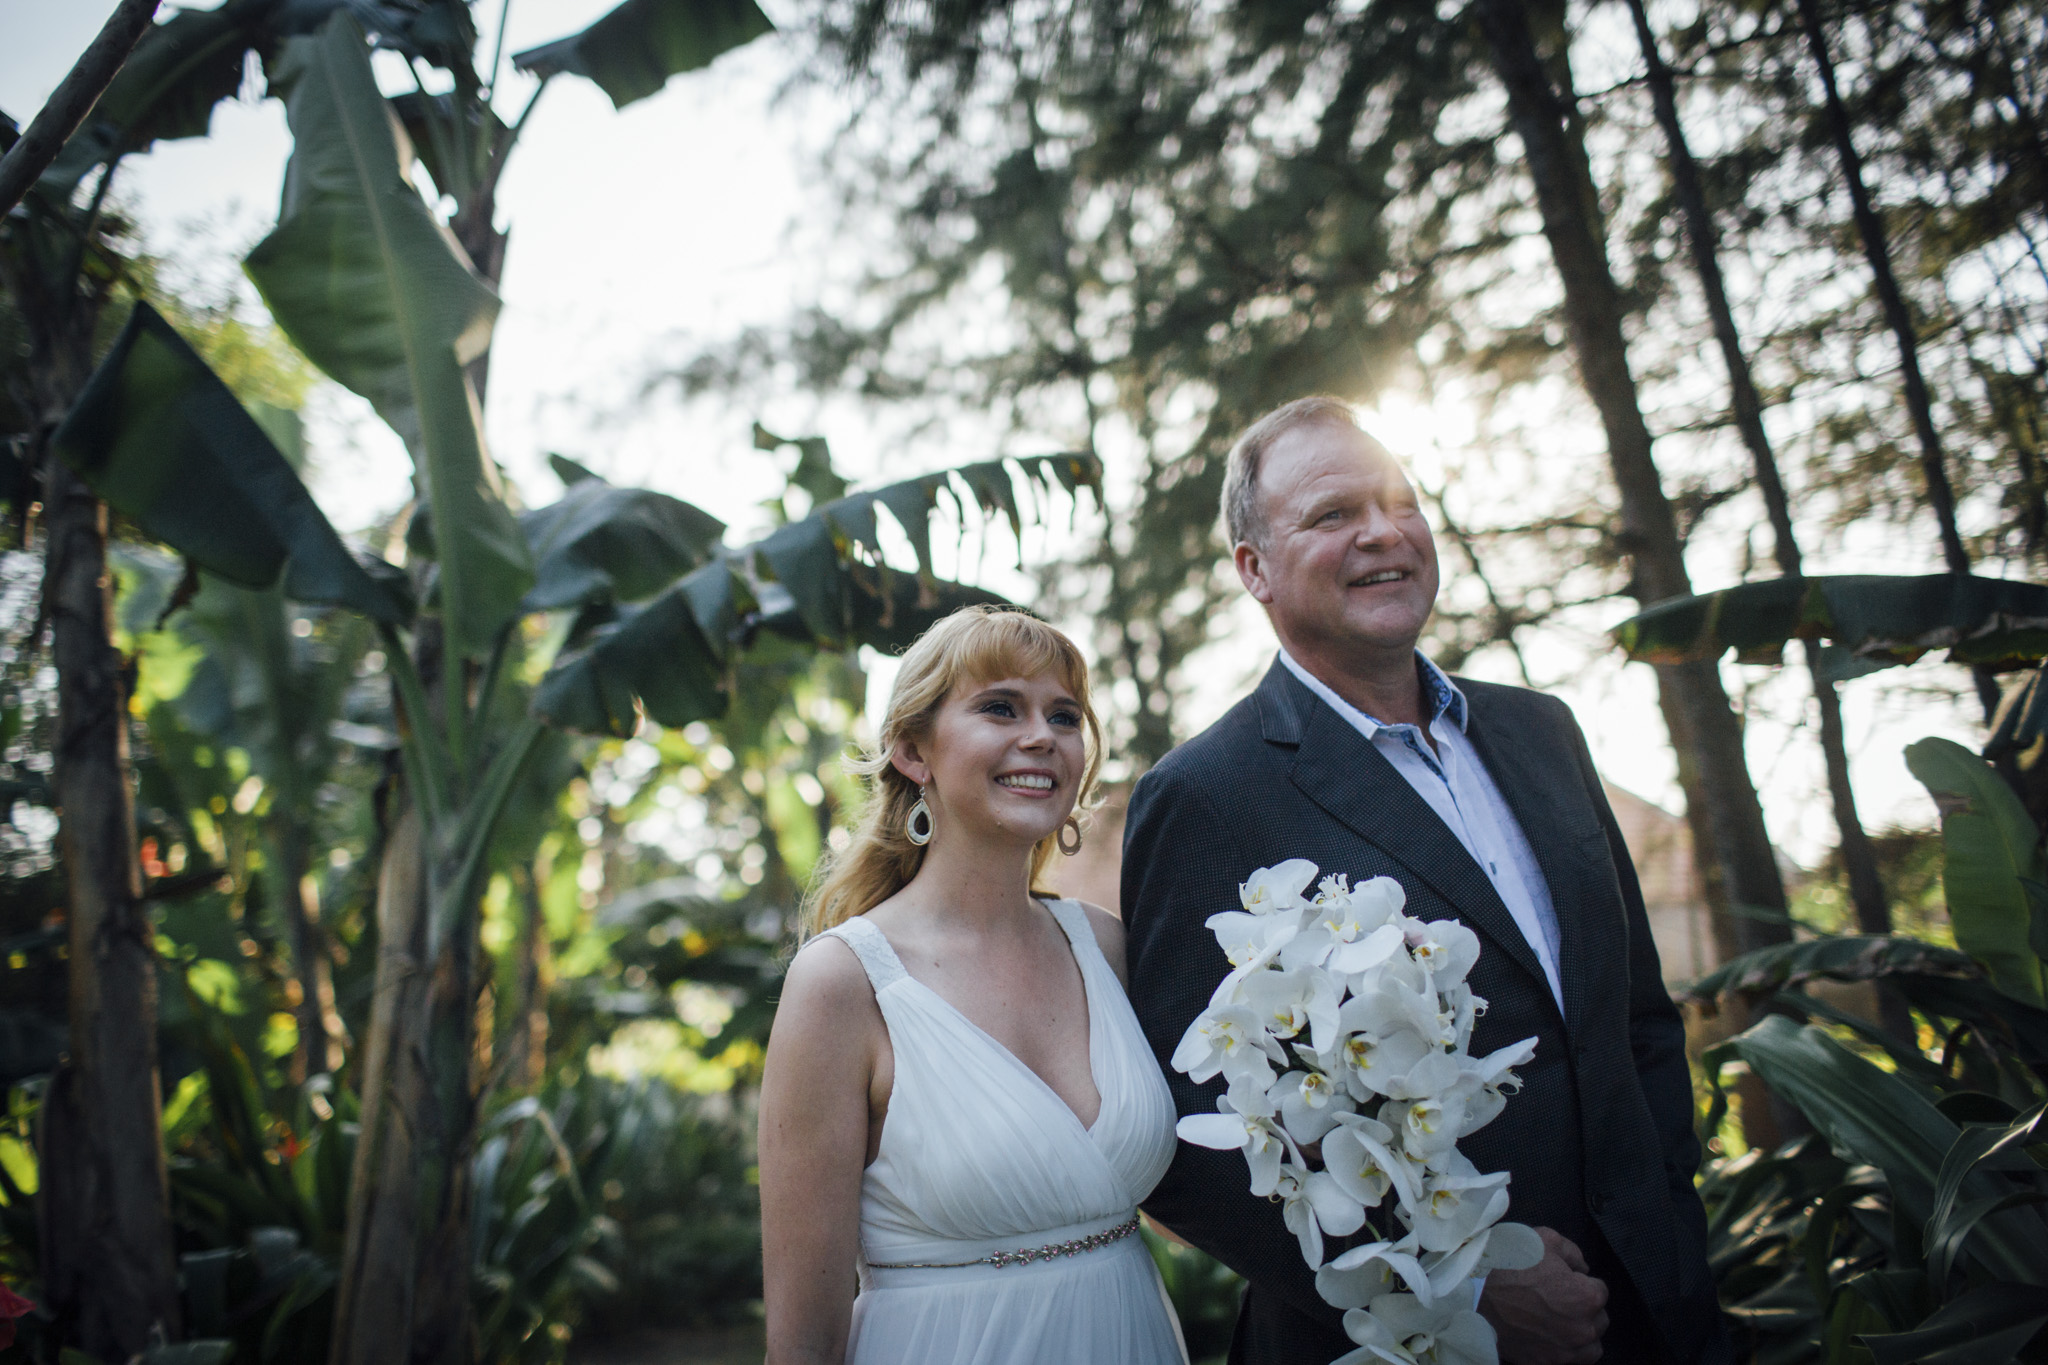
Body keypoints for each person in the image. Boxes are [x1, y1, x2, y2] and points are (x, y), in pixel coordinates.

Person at [1122, 397, 1727, 1365]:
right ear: (1254, 569)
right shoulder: (1203, 795)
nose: (1383, 532)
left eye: (1399, 501)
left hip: (1652, 1313)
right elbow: (1179, 1143)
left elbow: (1633, 1023)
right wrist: (1462, 1289)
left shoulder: (1543, 732)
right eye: (1331, 515)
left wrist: (1669, 1228)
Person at [760, 605, 1188, 1365]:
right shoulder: (842, 984)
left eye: (1064, 715)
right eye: (1000, 707)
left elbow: (1192, 1204)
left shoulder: (1110, 945)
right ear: (911, 751)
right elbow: (802, 1341)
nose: (1042, 736)